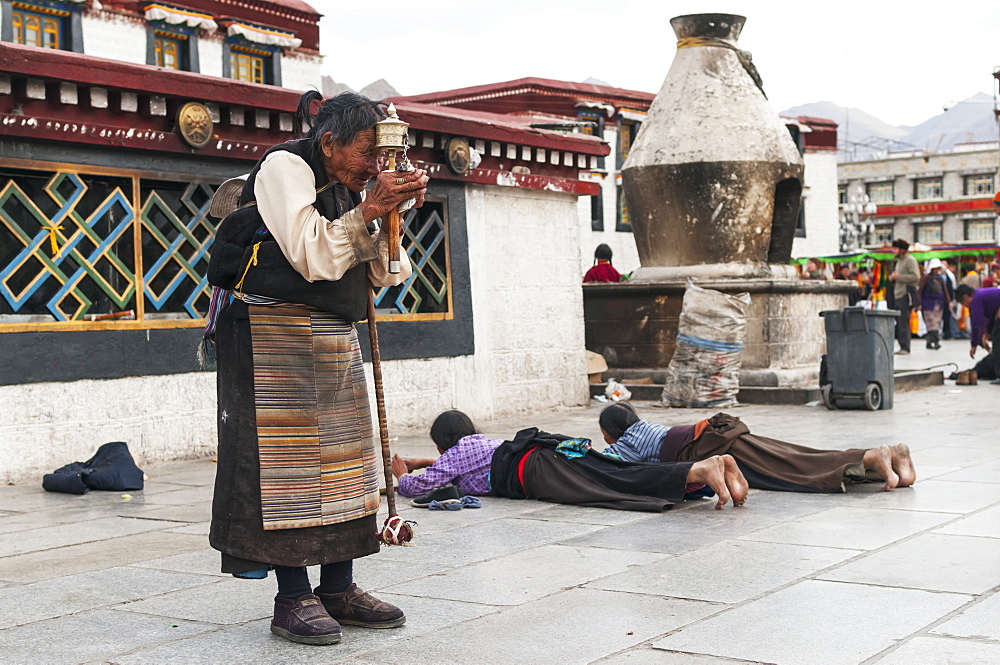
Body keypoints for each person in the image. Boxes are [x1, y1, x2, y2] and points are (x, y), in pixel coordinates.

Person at [207, 91, 429, 646]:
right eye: (365, 153)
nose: (375, 167)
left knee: (346, 461)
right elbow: (315, 255)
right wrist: (372, 209)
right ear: (328, 142)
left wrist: (392, 216)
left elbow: (381, 276)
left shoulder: (356, 189)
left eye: (383, 156)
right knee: (293, 469)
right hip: (272, 333)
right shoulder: (287, 166)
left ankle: (339, 586)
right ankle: (292, 597)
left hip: (331, 333)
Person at [392, 410, 750, 512]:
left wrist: (401, 476)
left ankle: (701, 469)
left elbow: (418, 486)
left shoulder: (458, 451)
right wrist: (425, 460)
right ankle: (704, 467)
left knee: (615, 483)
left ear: (445, 442)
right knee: (618, 471)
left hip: (538, 470)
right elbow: (455, 469)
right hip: (552, 452)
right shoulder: (482, 443)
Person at [597, 402, 916, 493]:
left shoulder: (626, 443)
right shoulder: (644, 428)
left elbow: (600, 461)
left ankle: (870, 457)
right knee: (791, 455)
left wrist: (564, 448)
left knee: (791, 469)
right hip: (718, 430)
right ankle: (891, 456)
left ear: (611, 431)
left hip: (708, 446)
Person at [954, 284, 1000, 379]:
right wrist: (987, 333)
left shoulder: (976, 299)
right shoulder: (980, 295)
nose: (966, 307)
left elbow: (976, 324)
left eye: (963, 304)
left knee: (997, 343)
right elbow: (990, 317)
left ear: (966, 297)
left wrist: (973, 345)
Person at [888, 238, 920, 354]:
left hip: (905, 295)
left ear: (902, 250)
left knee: (903, 322)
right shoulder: (899, 261)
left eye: (896, 248)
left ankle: (905, 347)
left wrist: (898, 277)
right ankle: (902, 345)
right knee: (900, 321)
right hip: (898, 294)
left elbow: (915, 277)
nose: (894, 251)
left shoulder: (910, 260)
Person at [918, 258, 950, 350]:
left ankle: (930, 341)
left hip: (939, 304)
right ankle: (935, 341)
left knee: (936, 322)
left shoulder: (940, 279)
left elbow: (945, 291)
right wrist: (919, 303)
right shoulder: (926, 278)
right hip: (928, 304)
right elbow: (920, 291)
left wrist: (948, 302)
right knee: (931, 323)